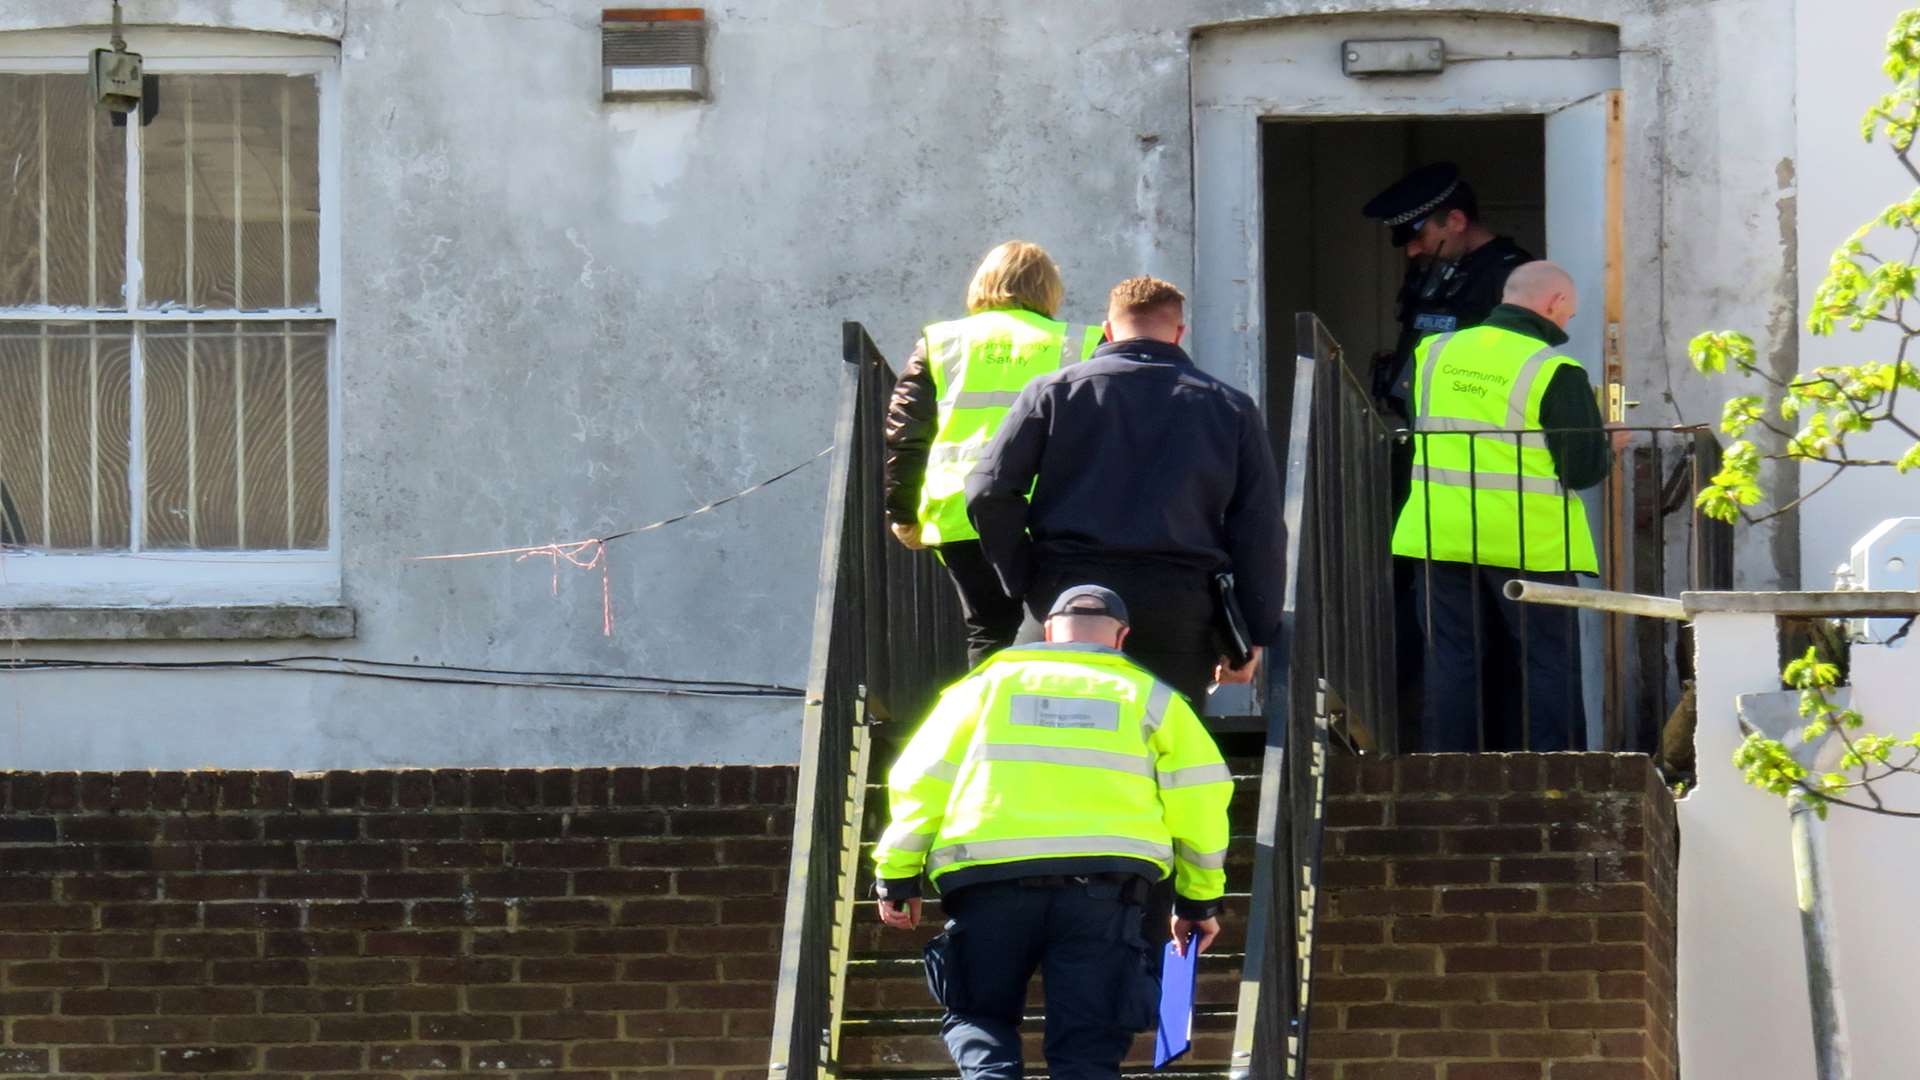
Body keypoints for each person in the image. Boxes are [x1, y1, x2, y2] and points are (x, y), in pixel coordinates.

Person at [871, 585, 1232, 1079]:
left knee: (980, 1018)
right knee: (1088, 1048)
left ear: (1047, 632)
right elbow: (1201, 801)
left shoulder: (982, 689)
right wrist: (1197, 902)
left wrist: (897, 874)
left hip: (987, 886)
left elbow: (920, 780)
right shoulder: (1154, 699)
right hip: (1104, 896)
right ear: (1121, 638)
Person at [963, 276, 1285, 708]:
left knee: (1052, 735)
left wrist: (1023, 576)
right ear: (1179, 332)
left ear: (1108, 330)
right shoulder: (1230, 407)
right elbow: (1258, 527)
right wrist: (1253, 631)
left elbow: (988, 491)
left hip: (1067, 594)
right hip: (1179, 605)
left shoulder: (1053, 392)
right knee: (1163, 750)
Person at [1391, 261, 1610, 753]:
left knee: (1450, 659)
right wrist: (1606, 446)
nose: (1566, 327)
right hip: (1530, 542)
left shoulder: (1432, 353)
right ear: (1554, 305)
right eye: (1569, 316)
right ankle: (1556, 769)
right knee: (1547, 660)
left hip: (1438, 534)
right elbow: (1581, 469)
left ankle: (1448, 769)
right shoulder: (1553, 369)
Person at [1363, 162, 1535, 747]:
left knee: (1503, 626)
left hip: (1491, 478)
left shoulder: (1509, 276)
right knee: (1429, 620)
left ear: (1456, 220)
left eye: (1420, 235)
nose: (1412, 250)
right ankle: (1433, 745)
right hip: (1426, 469)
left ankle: (1508, 748)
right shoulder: (1433, 274)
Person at [884, 241, 1103, 666]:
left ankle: (988, 726)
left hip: (962, 511)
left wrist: (903, 513)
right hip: (1053, 515)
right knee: (1062, 628)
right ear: (1049, 288)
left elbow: (906, 436)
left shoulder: (940, 342)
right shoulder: (1083, 343)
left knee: (988, 628)